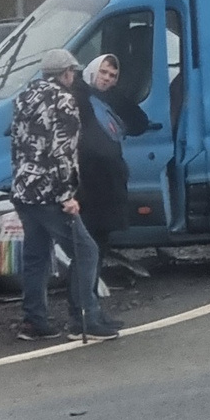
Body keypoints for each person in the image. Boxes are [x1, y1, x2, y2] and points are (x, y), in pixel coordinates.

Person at [9, 48, 119, 342]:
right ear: (66, 73)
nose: (73, 76)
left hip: (23, 188)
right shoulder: (64, 101)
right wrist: (67, 194)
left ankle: (35, 321)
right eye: (72, 71)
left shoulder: (24, 97)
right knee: (86, 250)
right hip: (50, 192)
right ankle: (84, 317)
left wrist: (20, 179)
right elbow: (63, 152)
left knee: (36, 254)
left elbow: (17, 143)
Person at [71, 54, 133, 273]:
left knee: (98, 240)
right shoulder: (78, 96)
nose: (106, 78)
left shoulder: (109, 100)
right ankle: (86, 296)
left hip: (105, 184)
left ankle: (90, 291)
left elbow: (138, 121)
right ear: (92, 69)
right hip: (87, 183)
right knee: (87, 242)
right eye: (104, 72)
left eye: (112, 76)